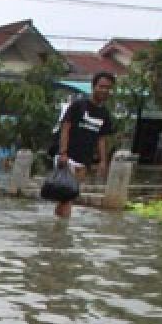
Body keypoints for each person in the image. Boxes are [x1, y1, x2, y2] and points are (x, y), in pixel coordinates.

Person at [53, 71, 117, 218]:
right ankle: (62, 229)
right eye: (101, 86)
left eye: (108, 88)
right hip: (68, 155)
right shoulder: (78, 105)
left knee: (69, 196)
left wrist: (103, 161)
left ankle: (58, 226)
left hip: (85, 159)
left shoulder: (104, 114)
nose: (104, 90)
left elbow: (102, 138)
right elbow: (65, 127)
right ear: (93, 86)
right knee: (68, 195)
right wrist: (63, 153)